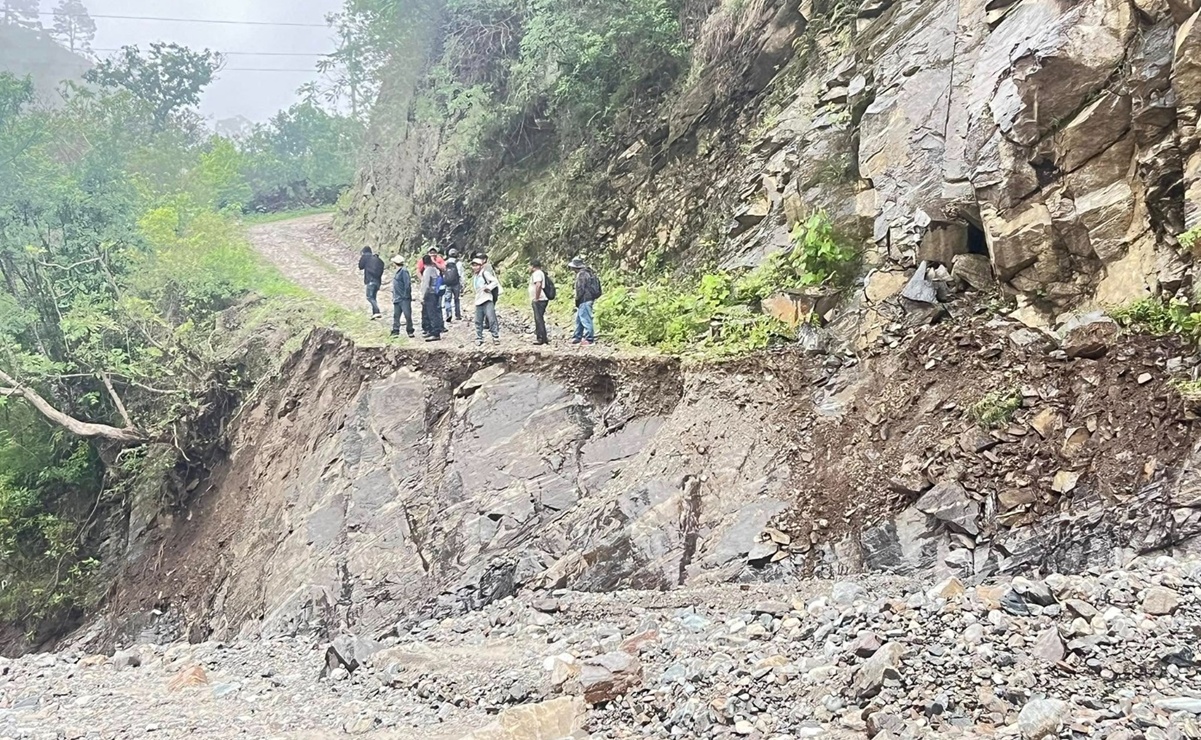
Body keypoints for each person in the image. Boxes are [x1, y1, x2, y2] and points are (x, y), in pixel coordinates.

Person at [570, 256, 601, 346]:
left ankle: (589, 338)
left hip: (584, 299)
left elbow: (580, 289)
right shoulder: (589, 273)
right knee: (579, 319)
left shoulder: (581, 275)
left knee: (585, 319)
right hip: (589, 298)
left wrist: (577, 299)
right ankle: (577, 336)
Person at [471, 257, 500, 346]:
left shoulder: (485, 273)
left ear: (481, 266)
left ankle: (495, 337)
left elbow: (495, 281)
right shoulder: (475, 276)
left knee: (491, 319)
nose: (475, 267)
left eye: (476, 265)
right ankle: (479, 337)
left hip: (487, 299)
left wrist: (488, 288)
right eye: (473, 265)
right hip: (478, 300)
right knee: (478, 320)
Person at [419, 254, 445, 342]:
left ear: (423, 262)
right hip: (435, 293)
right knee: (431, 312)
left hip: (430, 294)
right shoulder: (435, 269)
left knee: (431, 313)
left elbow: (426, 284)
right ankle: (431, 331)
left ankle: (435, 333)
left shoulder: (428, 270)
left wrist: (422, 296)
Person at [357, 247, 385, 320]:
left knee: (369, 297)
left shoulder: (366, 257)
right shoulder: (379, 260)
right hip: (378, 282)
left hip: (370, 281)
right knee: (373, 297)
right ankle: (374, 313)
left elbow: (360, 266)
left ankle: (377, 312)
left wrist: (362, 257)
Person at [390, 255, 414, 338]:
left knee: (407, 315)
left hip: (403, 298)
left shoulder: (403, 271)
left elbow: (407, 284)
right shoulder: (398, 271)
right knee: (396, 315)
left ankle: (410, 330)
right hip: (397, 297)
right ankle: (395, 330)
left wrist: (406, 295)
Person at [529, 258, 550, 345]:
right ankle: (543, 337)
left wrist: (536, 298)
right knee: (539, 318)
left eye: (529, 266)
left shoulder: (537, 273)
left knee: (538, 319)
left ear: (533, 266)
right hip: (541, 299)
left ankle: (541, 338)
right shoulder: (540, 273)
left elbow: (538, 285)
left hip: (540, 299)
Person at [443, 249, 463, 323]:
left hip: (447, 284)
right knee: (456, 299)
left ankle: (448, 313)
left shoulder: (446, 262)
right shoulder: (459, 263)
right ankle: (458, 315)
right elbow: (461, 275)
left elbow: (443, 272)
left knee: (447, 299)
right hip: (456, 283)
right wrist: (462, 284)